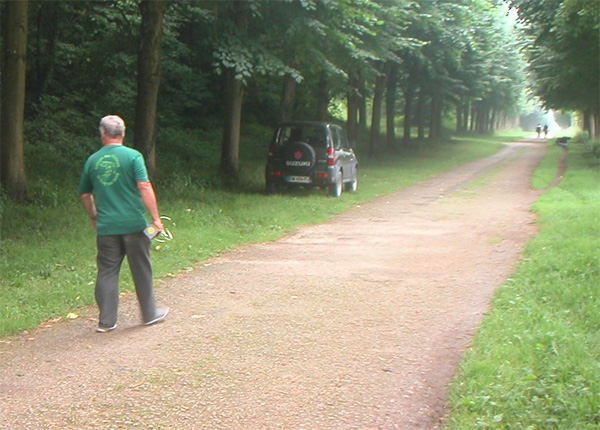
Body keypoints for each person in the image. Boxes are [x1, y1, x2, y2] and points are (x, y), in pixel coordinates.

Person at [78, 115, 169, 333]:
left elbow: (84, 194)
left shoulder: (93, 160)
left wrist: (94, 216)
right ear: (123, 133)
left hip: (107, 227)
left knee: (107, 271)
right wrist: (156, 219)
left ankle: (107, 321)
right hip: (135, 225)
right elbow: (144, 186)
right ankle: (149, 314)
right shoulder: (133, 156)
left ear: (102, 134)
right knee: (141, 269)